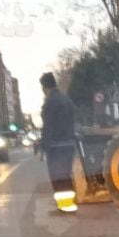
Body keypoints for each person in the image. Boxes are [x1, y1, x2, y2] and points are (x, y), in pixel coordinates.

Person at [40, 72, 77, 213]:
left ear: (44, 87)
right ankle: (68, 204)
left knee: (57, 178)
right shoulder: (66, 99)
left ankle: (65, 207)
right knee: (66, 176)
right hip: (69, 143)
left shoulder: (50, 102)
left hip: (56, 146)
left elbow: (48, 126)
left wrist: (44, 145)